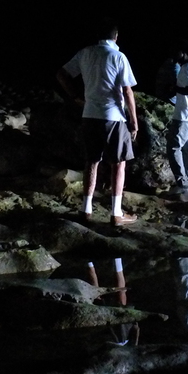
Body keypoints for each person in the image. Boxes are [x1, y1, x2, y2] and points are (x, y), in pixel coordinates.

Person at [56, 20, 139, 226]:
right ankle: (116, 213)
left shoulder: (85, 53)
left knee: (91, 162)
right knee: (118, 164)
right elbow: (128, 90)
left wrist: (75, 96)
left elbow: (61, 74)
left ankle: (86, 209)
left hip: (90, 114)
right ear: (116, 36)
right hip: (113, 116)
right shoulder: (118, 57)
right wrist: (134, 121)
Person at [166, 41, 188, 194]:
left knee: (174, 148)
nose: (175, 54)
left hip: (185, 115)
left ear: (184, 53)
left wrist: (175, 88)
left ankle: (184, 183)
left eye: (177, 51)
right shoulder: (187, 68)